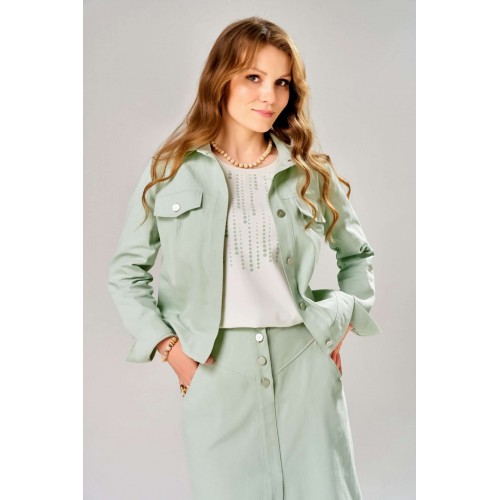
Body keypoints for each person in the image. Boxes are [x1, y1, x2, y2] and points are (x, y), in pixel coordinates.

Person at [107, 16, 382, 500]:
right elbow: (127, 272)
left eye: (281, 82)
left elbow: (356, 255)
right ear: (221, 78)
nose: (268, 96)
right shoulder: (170, 171)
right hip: (217, 366)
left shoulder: (310, 173)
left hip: (304, 362)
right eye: (253, 77)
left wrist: (340, 321)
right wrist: (172, 352)